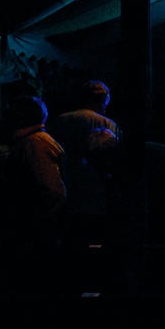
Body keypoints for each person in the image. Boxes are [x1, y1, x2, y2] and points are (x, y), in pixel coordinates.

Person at [48, 80, 119, 242]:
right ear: (102, 101)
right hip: (96, 191)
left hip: (66, 187)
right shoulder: (108, 124)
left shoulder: (61, 120)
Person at [0, 96, 65, 249]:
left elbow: (52, 191)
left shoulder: (35, 143)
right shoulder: (36, 141)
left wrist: (37, 224)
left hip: (34, 233)